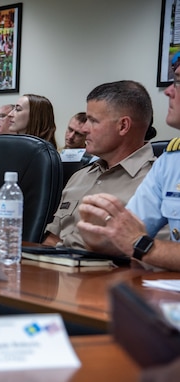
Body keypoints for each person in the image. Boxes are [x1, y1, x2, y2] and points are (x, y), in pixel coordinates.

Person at [76, 65, 180, 271]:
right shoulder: (170, 162)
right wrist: (98, 238)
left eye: (178, 81)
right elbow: (123, 237)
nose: (168, 91)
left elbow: (135, 242)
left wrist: (142, 246)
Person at [42, 80, 155, 249]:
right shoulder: (80, 176)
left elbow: (153, 258)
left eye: (93, 121)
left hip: (112, 273)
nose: (85, 129)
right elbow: (51, 240)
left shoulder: (155, 180)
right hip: (60, 269)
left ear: (123, 126)